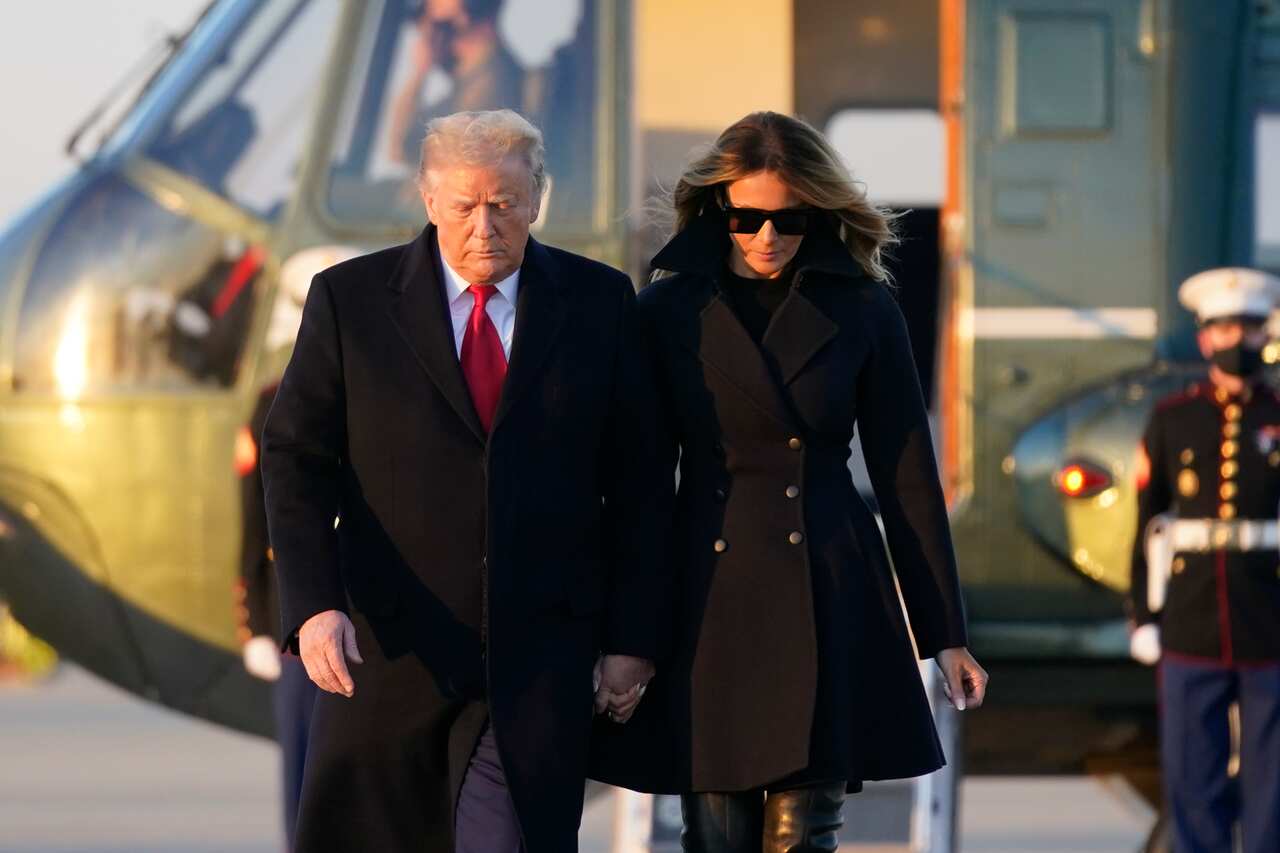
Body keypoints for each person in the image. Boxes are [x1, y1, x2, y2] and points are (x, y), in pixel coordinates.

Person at [261, 109, 669, 852]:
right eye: (464, 206)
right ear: (427, 199)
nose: (485, 225)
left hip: (537, 661)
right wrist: (313, 604)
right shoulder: (349, 302)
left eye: (504, 204)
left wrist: (631, 636)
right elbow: (294, 459)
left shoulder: (599, 304)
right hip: (387, 658)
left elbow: (640, 482)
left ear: (538, 199)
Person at [590, 111, 988, 852]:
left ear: (818, 212)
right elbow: (641, 490)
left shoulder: (865, 308)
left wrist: (945, 635)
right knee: (714, 836)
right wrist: (629, 638)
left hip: (827, 584)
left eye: (789, 218)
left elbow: (908, 478)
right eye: (746, 218)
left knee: (803, 835)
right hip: (708, 598)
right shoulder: (666, 311)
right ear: (717, 209)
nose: (766, 236)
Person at [1127, 267, 1280, 853]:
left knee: (1274, 785)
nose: (1234, 339)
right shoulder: (1174, 419)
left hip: (1270, 620)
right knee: (1193, 778)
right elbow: (1148, 523)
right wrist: (1144, 615)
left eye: (1246, 328)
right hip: (1191, 620)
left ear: (1264, 334)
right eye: (1223, 328)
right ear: (1203, 338)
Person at [234, 382, 318, 852]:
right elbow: (254, 512)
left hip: (371, 616)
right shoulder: (275, 399)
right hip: (295, 615)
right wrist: (258, 623)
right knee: (304, 761)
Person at [388, 0, 524, 167]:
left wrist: (419, 73)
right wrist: (420, 73)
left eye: (431, 22)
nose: (425, 34)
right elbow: (399, 149)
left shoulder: (491, 85)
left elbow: (405, 149)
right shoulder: (474, 83)